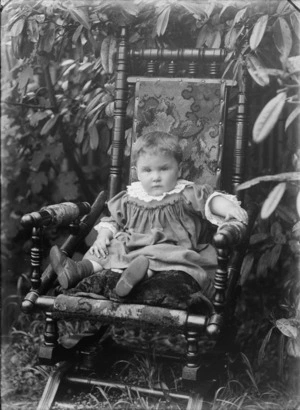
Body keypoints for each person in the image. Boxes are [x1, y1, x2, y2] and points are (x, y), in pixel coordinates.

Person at [50, 131, 248, 298]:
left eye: (164, 169)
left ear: (179, 169)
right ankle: (79, 269)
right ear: (137, 172)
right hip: (131, 246)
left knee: (159, 255)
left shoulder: (185, 193)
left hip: (169, 247)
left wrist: (229, 208)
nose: (155, 177)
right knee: (106, 248)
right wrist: (102, 238)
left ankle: (137, 276)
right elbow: (112, 221)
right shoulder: (131, 196)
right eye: (147, 170)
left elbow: (211, 200)